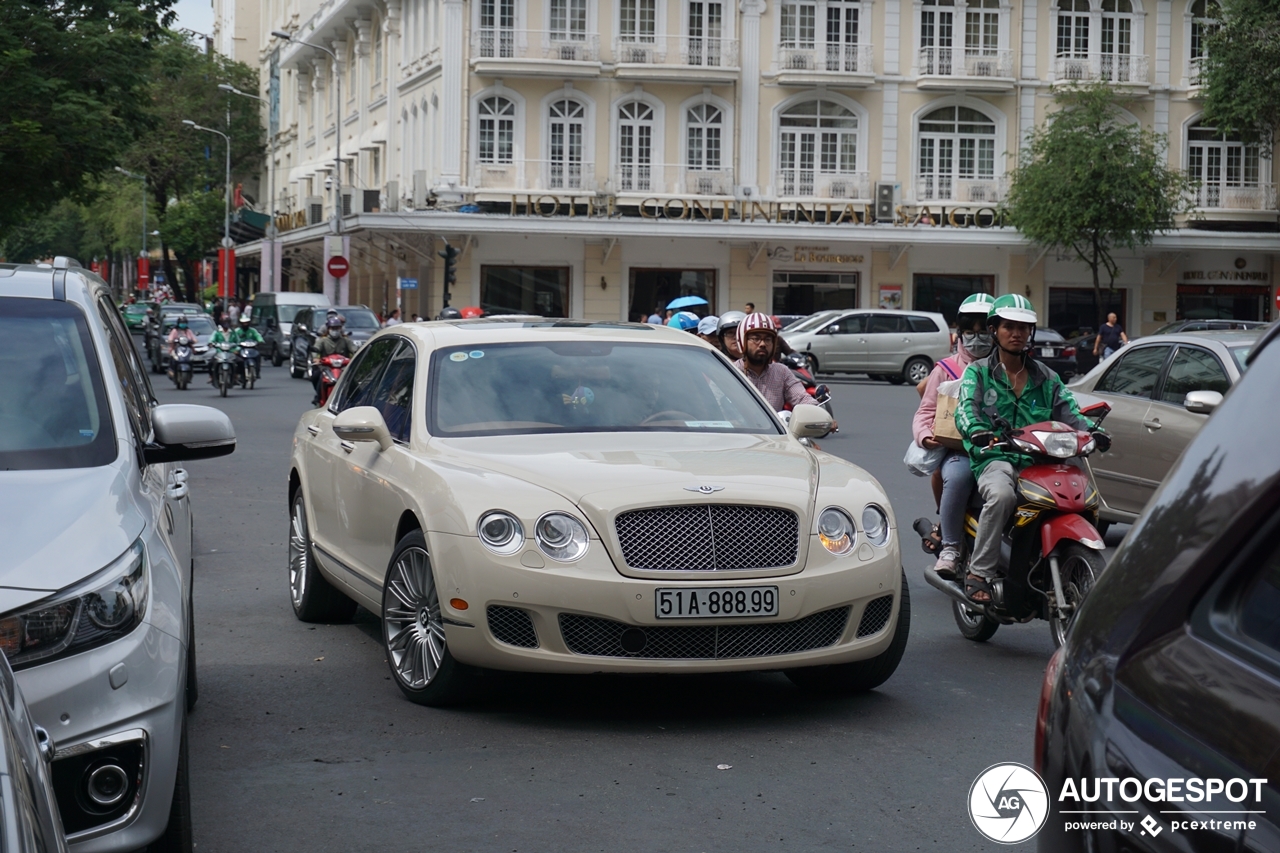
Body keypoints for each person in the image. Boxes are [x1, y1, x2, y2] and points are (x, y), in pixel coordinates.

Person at [955, 295, 1106, 603]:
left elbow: (1071, 413)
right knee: (1002, 495)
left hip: (1043, 461)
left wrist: (1093, 432)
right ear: (994, 329)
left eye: (1024, 328)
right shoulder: (978, 373)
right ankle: (979, 572)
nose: (1017, 334)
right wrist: (977, 429)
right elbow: (965, 409)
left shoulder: (1047, 377)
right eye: (1009, 327)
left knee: (1082, 497)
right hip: (997, 457)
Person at [911, 293, 995, 579]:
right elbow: (925, 413)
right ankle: (950, 547)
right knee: (958, 477)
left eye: (983, 331)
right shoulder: (945, 369)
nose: (977, 338)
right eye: (970, 332)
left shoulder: (1010, 368)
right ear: (960, 333)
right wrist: (925, 436)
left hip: (1004, 449)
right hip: (960, 451)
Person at [733, 313, 810, 411]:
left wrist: (819, 414)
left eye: (768, 339)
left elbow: (802, 398)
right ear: (743, 341)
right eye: (756, 339)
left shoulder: (781, 372)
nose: (763, 344)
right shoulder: (730, 372)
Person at [311, 316, 358, 405]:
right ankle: (318, 397)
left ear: (340, 329)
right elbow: (316, 349)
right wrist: (316, 358)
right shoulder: (323, 341)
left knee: (353, 381)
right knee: (316, 376)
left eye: (337, 328)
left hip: (343, 368)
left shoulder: (345, 340)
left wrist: (356, 355)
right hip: (326, 368)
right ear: (328, 329)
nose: (335, 330)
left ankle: (356, 398)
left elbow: (354, 349)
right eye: (333, 328)